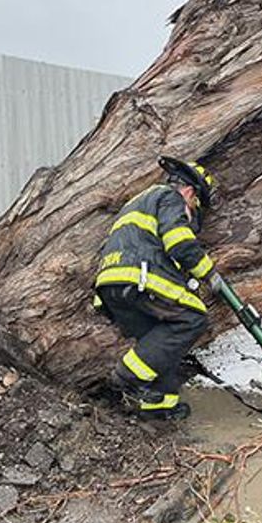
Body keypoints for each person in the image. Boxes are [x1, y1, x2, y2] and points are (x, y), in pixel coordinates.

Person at [93, 156, 219, 420]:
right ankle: (125, 377)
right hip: (139, 277)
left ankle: (159, 408)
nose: (193, 212)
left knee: (161, 345)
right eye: (195, 204)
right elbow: (179, 242)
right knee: (193, 318)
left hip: (111, 285)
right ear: (190, 192)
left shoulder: (136, 203)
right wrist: (210, 274)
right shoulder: (170, 197)